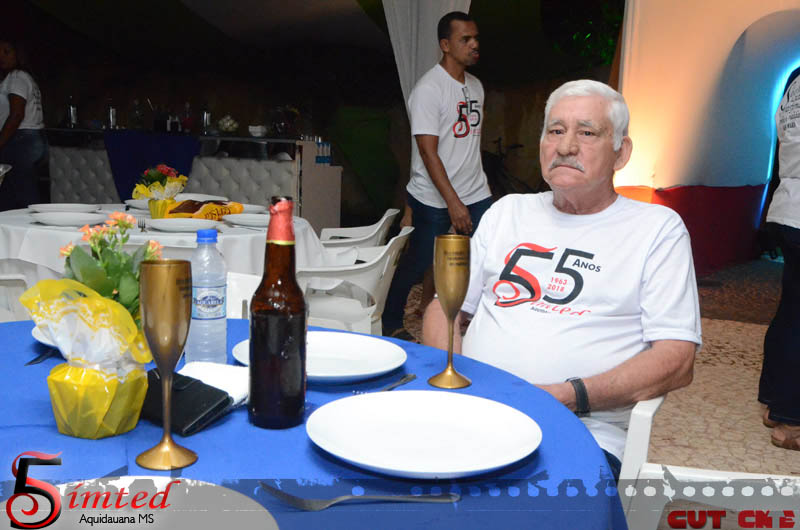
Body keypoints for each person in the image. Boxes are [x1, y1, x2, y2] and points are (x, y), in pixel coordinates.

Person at [422, 80, 702, 480]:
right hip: (473, 410)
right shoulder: (506, 212)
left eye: (586, 133)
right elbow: (444, 308)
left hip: (580, 429)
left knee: (511, 504)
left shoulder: (656, 229)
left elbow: (677, 359)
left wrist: (567, 396)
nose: (566, 146)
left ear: (621, 152)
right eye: (555, 130)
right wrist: (454, 380)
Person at [383, 11, 494, 339]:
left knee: (485, 255)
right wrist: (453, 203)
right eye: (465, 39)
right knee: (418, 262)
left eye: (475, 38)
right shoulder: (428, 89)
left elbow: (467, 143)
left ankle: (474, 321)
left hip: (476, 191)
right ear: (445, 45)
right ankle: (390, 320)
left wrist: (474, 189)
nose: (474, 44)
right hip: (434, 197)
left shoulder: (476, 87)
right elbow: (428, 153)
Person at [759, 74, 800, 450]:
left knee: (791, 311)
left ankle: (775, 401)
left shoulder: (795, 79)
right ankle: (791, 420)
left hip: (789, 206)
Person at [0, 40, 47, 210]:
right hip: (28, 138)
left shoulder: (17, 77)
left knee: (23, 195)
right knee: (13, 193)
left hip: (20, 139)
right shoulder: (21, 77)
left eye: (7, 51)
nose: (1, 56)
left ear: (18, 54)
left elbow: (17, 114)